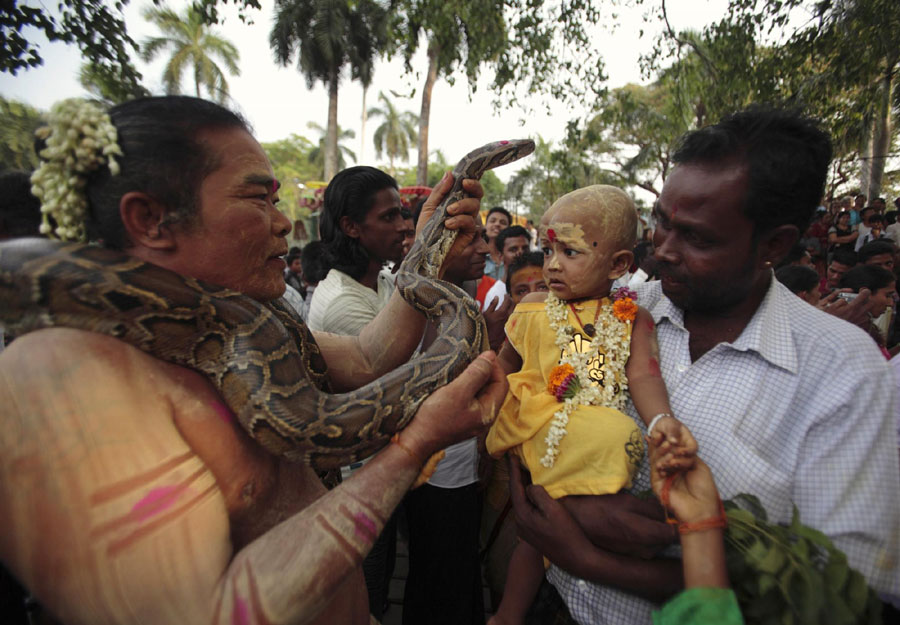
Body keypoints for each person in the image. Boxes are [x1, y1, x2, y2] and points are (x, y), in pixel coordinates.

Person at [0, 96, 507, 625]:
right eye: (257, 198)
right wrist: (411, 448)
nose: (284, 223)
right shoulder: (58, 382)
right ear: (149, 220)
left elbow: (365, 357)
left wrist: (426, 243)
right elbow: (199, 615)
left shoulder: (248, 322)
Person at [508, 107, 900, 624]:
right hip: (551, 605)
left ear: (776, 245)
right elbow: (527, 418)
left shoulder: (842, 376)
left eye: (696, 238)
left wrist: (593, 559)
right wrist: (558, 505)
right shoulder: (615, 305)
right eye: (661, 224)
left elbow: (834, 592)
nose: (662, 251)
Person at [485, 185, 697, 625]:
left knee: (613, 443)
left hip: (588, 433)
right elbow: (501, 367)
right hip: (538, 422)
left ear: (620, 264)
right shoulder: (533, 307)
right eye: (548, 251)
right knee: (612, 438)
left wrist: (661, 421)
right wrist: (486, 411)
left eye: (571, 252)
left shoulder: (631, 316)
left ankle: (509, 613)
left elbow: (643, 374)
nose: (553, 265)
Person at [305, 165, 410, 620]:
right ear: (351, 227)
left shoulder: (382, 281)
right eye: (389, 217)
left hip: (383, 467)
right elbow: (392, 371)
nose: (403, 225)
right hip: (356, 483)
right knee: (364, 592)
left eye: (404, 214)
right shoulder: (344, 302)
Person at [483, 225, 533, 309]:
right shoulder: (495, 295)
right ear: (500, 256)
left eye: (525, 248)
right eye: (513, 249)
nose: (520, 253)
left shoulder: (541, 284)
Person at [485, 207, 513, 281]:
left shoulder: (512, 258)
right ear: (485, 226)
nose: (497, 224)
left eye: (503, 222)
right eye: (493, 221)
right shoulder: (477, 256)